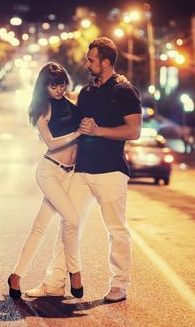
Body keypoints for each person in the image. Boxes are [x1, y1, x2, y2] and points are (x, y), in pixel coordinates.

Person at [25, 37, 142, 303]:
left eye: (91, 59)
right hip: (82, 171)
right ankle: (54, 282)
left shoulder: (125, 91)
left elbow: (134, 131)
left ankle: (119, 284)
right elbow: (60, 102)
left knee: (116, 229)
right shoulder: (86, 93)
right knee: (69, 224)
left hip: (111, 171)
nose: (87, 63)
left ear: (106, 62)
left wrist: (99, 130)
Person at [7, 62, 84, 299]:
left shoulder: (71, 99)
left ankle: (16, 277)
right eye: (53, 86)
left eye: (61, 84)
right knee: (72, 218)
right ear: (44, 87)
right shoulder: (43, 109)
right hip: (49, 171)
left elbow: (89, 97)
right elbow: (51, 142)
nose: (59, 89)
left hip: (70, 173)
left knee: (40, 226)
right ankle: (76, 272)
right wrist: (78, 133)